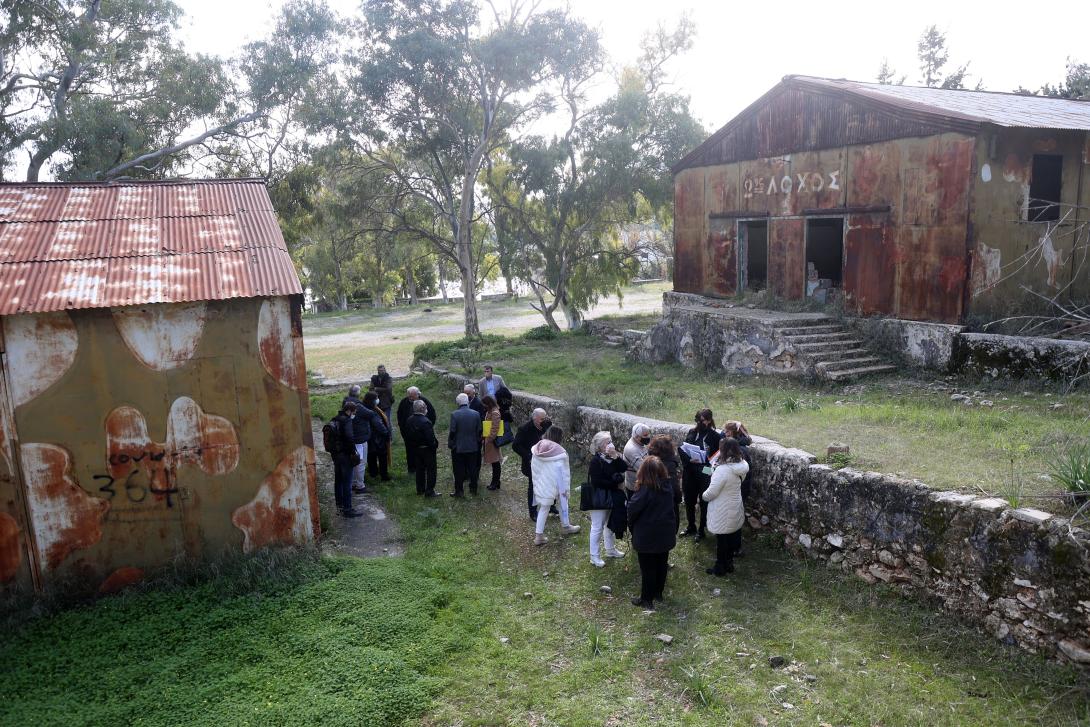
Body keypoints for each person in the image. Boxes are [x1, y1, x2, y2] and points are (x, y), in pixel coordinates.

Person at [627, 456, 678, 609]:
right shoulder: (668, 486)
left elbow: (632, 510)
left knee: (648, 568)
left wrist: (631, 526)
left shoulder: (645, 490)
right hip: (665, 532)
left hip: (647, 535)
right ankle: (658, 593)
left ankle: (646, 599)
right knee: (661, 564)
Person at [702, 437, 750, 576]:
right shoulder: (742, 465)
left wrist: (703, 496)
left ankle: (720, 568)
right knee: (730, 537)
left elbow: (711, 493)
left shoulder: (723, 470)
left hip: (722, 508)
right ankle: (729, 564)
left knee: (722, 539)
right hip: (734, 504)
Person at [530, 426, 581, 545]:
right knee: (563, 504)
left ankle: (539, 536)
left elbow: (534, 468)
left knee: (544, 507)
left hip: (542, 483)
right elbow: (564, 473)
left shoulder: (537, 448)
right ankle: (566, 526)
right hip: (557, 484)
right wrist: (565, 489)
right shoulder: (560, 453)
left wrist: (537, 483)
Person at [585, 431, 628, 567]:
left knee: (610, 524)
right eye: (607, 442)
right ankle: (594, 556)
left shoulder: (612, 457)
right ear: (600, 446)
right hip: (600, 498)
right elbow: (597, 481)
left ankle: (610, 550)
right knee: (597, 526)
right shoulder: (596, 461)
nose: (610, 444)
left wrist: (615, 456)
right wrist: (615, 483)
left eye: (611, 441)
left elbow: (624, 467)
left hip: (613, 496)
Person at [680, 409, 722, 540]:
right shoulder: (692, 432)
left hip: (705, 471)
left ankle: (701, 530)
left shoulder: (715, 436)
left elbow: (718, 458)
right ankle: (691, 526)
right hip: (690, 470)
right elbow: (683, 450)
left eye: (702, 420)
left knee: (704, 501)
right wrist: (689, 459)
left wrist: (708, 467)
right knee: (689, 500)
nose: (699, 422)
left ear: (709, 420)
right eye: (697, 420)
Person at [513, 408, 550, 520]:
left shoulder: (547, 425)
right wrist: (529, 456)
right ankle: (533, 512)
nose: (543, 421)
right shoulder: (524, 429)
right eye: (541, 419)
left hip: (546, 461)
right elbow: (515, 446)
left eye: (545, 418)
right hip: (531, 463)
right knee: (533, 487)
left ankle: (550, 506)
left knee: (549, 483)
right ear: (534, 418)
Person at [330, 401, 363, 517]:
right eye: (354, 412)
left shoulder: (335, 419)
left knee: (338, 481)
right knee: (347, 482)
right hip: (345, 455)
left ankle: (339, 506)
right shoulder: (347, 420)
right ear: (350, 411)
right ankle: (348, 509)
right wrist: (353, 451)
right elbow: (349, 437)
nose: (354, 414)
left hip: (336, 454)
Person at [448, 392, 483, 496]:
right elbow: (479, 430)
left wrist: (451, 443)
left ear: (458, 403)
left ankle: (459, 491)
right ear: (467, 401)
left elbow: (452, 431)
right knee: (473, 468)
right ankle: (473, 488)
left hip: (458, 447)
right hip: (473, 446)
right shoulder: (476, 414)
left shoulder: (454, 414)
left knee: (458, 469)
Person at [402, 399, 439, 497]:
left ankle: (420, 489)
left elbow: (407, 435)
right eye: (425, 407)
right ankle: (429, 491)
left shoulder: (409, 420)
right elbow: (430, 438)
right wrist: (434, 446)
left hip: (415, 448)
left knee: (419, 469)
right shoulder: (426, 421)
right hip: (427, 449)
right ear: (423, 408)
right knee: (431, 470)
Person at [648, 435, 683, 536]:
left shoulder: (649, 461)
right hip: (667, 502)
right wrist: (678, 498)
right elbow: (674, 485)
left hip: (651, 500)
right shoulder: (670, 464)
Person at [396, 386, 436, 473]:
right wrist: (402, 426)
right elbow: (399, 414)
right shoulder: (404, 402)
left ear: (418, 394)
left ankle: (423, 466)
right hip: (408, 432)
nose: (411, 398)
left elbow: (432, 414)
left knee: (423, 451)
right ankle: (411, 468)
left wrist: (429, 426)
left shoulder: (424, 401)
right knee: (409, 450)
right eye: (409, 396)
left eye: (412, 396)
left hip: (422, 433)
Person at [342, 384, 370, 493]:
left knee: (353, 461)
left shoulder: (345, 402)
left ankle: (353, 482)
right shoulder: (358, 405)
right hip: (359, 438)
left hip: (350, 438)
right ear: (358, 393)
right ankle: (360, 485)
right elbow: (370, 414)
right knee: (361, 462)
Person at [363, 391, 391, 482]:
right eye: (376, 398)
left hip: (368, 437)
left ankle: (373, 473)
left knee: (371, 456)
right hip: (377, 438)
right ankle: (384, 475)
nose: (378, 400)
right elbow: (378, 425)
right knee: (382, 456)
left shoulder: (364, 408)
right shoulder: (373, 411)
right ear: (372, 400)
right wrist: (386, 433)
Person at [481, 395, 504, 491]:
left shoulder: (494, 413)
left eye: (485, 404)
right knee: (494, 462)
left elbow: (495, 428)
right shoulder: (491, 411)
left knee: (495, 462)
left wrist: (489, 439)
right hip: (490, 440)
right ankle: (495, 482)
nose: (483, 405)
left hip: (492, 442)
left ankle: (495, 483)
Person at [623, 423, 652, 494]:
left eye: (648, 434)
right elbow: (644, 470)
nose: (648, 437)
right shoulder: (631, 449)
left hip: (643, 484)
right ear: (637, 437)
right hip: (635, 487)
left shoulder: (640, 442)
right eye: (645, 435)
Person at [369, 364, 395, 439]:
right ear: (378, 371)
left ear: (385, 370)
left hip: (386, 402)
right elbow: (371, 389)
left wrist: (377, 389)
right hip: (377, 402)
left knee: (387, 420)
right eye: (380, 370)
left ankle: (390, 437)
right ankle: (382, 436)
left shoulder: (388, 378)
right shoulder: (374, 378)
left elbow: (388, 389)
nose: (382, 372)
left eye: (383, 370)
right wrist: (381, 389)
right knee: (379, 420)